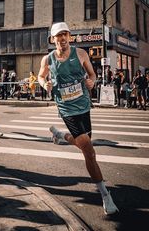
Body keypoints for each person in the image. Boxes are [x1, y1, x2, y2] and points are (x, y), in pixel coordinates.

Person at [38, 22, 119, 215]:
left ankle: (61, 137)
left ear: (70, 37)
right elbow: (41, 76)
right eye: (59, 35)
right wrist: (44, 84)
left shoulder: (81, 54)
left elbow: (92, 74)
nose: (63, 38)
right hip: (66, 109)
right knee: (89, 152)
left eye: (65, 34)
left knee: (85, 143)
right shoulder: (48, 60)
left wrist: (92, 82)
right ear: (53, 39)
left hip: (83, 106)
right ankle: (105, 195)